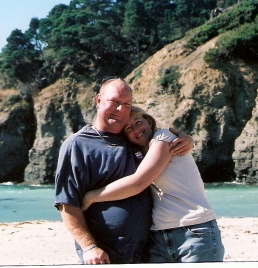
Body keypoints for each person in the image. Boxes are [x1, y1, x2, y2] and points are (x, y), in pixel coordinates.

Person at [54, 77, 194, 264]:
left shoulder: (133, 139)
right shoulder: (77, 146)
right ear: (98, 100)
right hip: (103, 256)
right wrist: (89, 247)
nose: (120, 110)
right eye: (114, 102)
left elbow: (161, 143)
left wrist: (185, 139)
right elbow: (66, 203)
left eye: (126, 104)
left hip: (149, 253)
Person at [82, 106, 225, 263]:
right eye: (128, 128)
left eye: (138, 122)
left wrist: (91, 197)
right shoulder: (138, 155)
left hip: (195, 231)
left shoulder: (163, 137)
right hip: (159, 238)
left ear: (149, 122)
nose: (136, 130)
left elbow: (139, 182)